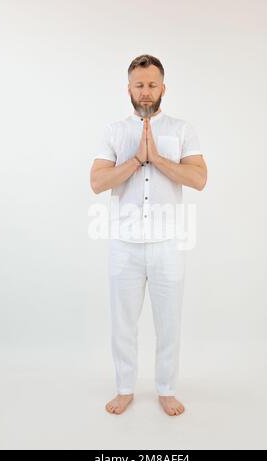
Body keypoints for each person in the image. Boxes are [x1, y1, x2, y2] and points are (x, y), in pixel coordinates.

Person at [90, 54, 207, 416]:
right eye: (139, 85)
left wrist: (157, 157)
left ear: (163, 87)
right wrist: (137, 158)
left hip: (168, 244)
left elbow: (199, 179)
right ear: (129, 88)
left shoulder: (182, 129)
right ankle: (125, 387)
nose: (145, 92)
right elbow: (97, 182)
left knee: (168, 322)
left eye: (152, 85)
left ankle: (166, 389)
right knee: (122, 322)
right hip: (124, 245)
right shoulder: (114, 131)